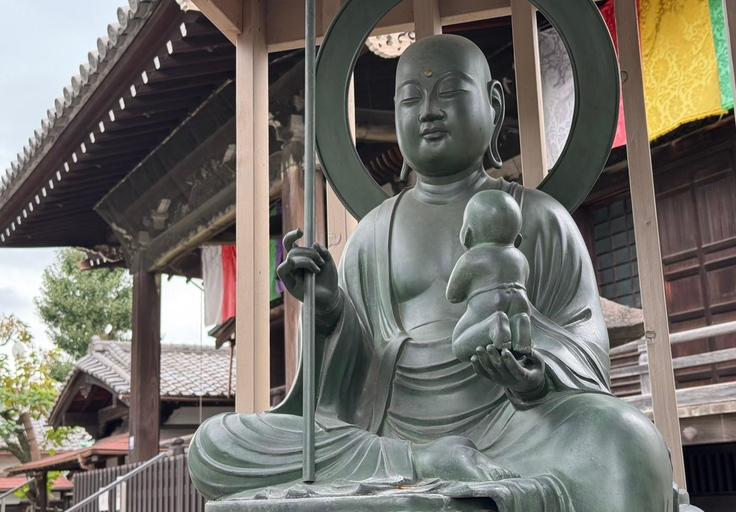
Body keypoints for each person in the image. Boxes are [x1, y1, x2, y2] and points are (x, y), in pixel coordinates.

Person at [189, 34, 687, 511]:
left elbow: (585, 341)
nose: (428, 110)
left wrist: (533, 373)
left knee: (625, 440)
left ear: (493, 103)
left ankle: (441, 463)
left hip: (513, 424)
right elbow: (347, 388)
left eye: (448, 92)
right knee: (214, 445)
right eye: (410, 99)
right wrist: (329, 311)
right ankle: (426, 462)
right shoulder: (372, 234)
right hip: (389, 434)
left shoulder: (540, 217)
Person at [446, 189, 532, 362]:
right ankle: (521, 323)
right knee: (518, 317)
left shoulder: (471, 258)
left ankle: (493, 325)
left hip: (489, 305)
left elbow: (453, 295)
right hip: (521, 304)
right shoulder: (521, 259)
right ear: (517, 239)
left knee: (458, 344)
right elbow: (524, 280)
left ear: (467, 234)